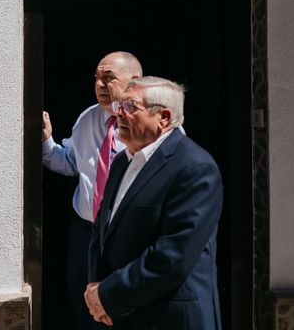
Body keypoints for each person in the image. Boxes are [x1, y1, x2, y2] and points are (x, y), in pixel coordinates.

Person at [85, 77, 223, 330]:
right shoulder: (121, 162)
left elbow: (172, 257)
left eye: (130, 108)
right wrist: (97, 292)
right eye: (119, 107)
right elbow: (101, 230)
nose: (119, 115)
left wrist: (109, 294)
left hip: (168, 318)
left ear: (164, 117)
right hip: (118, 314)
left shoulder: (194, 167)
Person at [42, 51, 142, 330]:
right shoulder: (87, 119)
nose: (99, 84)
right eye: (97, 78)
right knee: (84, 307)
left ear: (135, 80)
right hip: (86, 232)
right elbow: (70, 163)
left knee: (125, 306)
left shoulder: (151, 124)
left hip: (129, 232)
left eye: (108, 78)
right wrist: (46, 140)